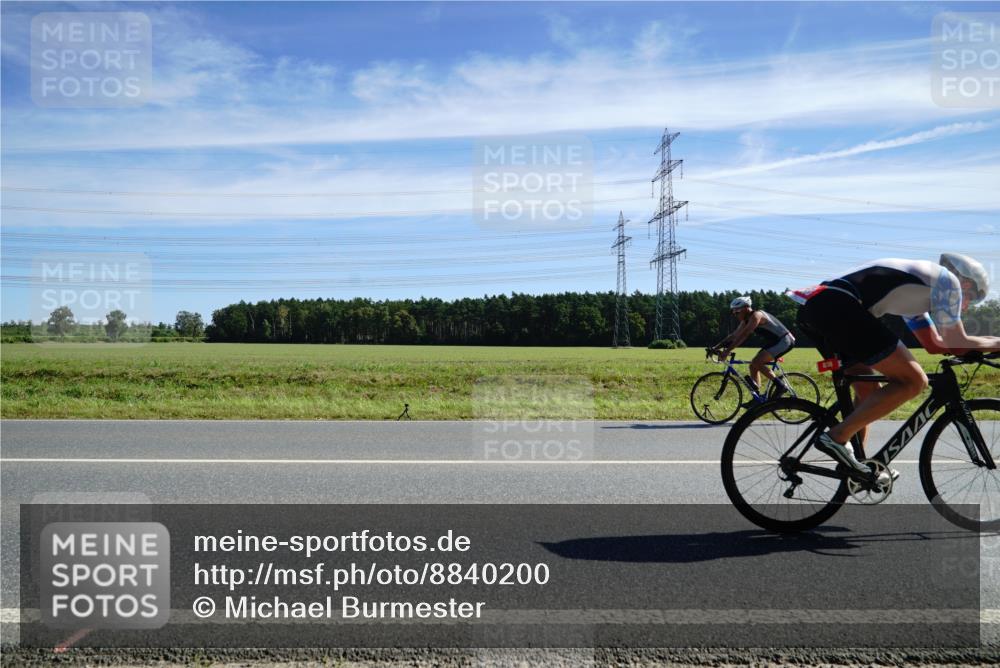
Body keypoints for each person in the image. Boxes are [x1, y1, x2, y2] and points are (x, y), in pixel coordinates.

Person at [789, 254, 999, 479]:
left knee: (868, 390)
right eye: (971, 300)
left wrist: (984, 345)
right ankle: (837, 437)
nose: (965, 307)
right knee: (914, 381)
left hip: (817, 308)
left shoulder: (918, 296)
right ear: (966, 284)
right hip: (840, 308)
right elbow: (957, 343)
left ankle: (857, 466)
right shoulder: (949, 283)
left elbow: (934, 344)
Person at [714, 295, 795, 404]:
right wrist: (716, 347)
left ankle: (780, 386)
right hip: (775, 342)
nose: (735, 314)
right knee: (753, 366)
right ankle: (757, 398)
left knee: (756, 361)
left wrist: (727, 351)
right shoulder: (746, 320)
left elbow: (744, 335)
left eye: (737, 312)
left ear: (746, 308)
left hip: (785, 340)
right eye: (733, 312)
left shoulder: (756, 316)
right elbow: (734, 335)